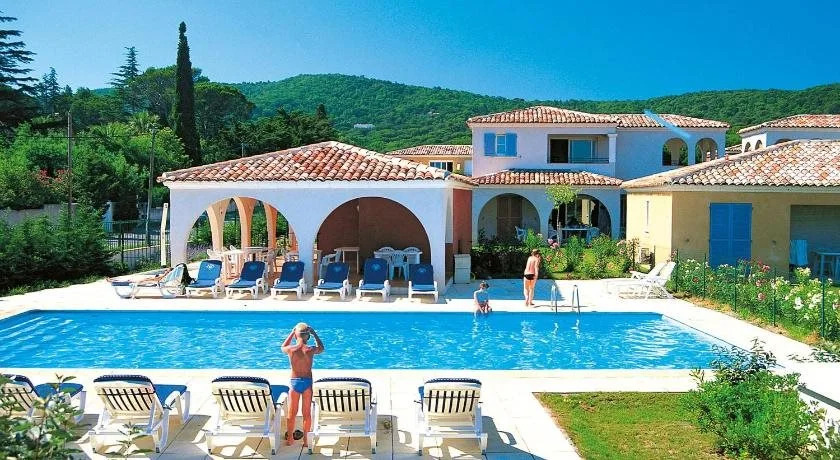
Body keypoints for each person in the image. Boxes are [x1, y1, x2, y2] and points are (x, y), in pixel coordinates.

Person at [281, 322, 324, 446]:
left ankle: (290, 439)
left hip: (294, 383)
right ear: (308, 336)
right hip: (307, 383)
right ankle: (305, 440)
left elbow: (283, 346)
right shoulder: (310, 350)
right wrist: (314, 333)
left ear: (295, 336)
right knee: (306, 414)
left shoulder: (291, 349)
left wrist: (292, 332)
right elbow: (321, 348)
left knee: (292, 413)